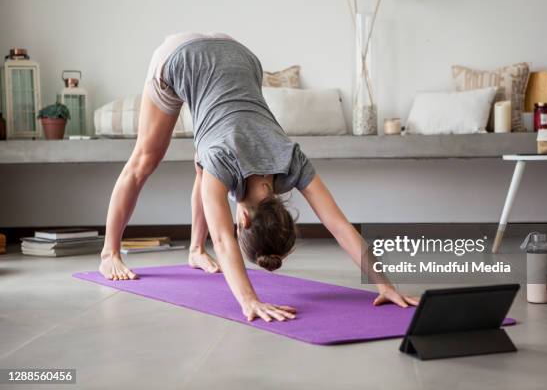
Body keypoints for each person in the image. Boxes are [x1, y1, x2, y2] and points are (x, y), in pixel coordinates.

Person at [98, 32, 418, 322]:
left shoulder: (291, 160)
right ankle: (109, 253)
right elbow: (223, 239)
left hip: (240, 54)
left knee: (205, 163)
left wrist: (385, 285)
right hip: (180, 57)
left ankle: (195, 251)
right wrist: (248, 300)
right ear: (244, 222)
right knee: (145, 159)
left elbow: (341, 226)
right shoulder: (225, 162)